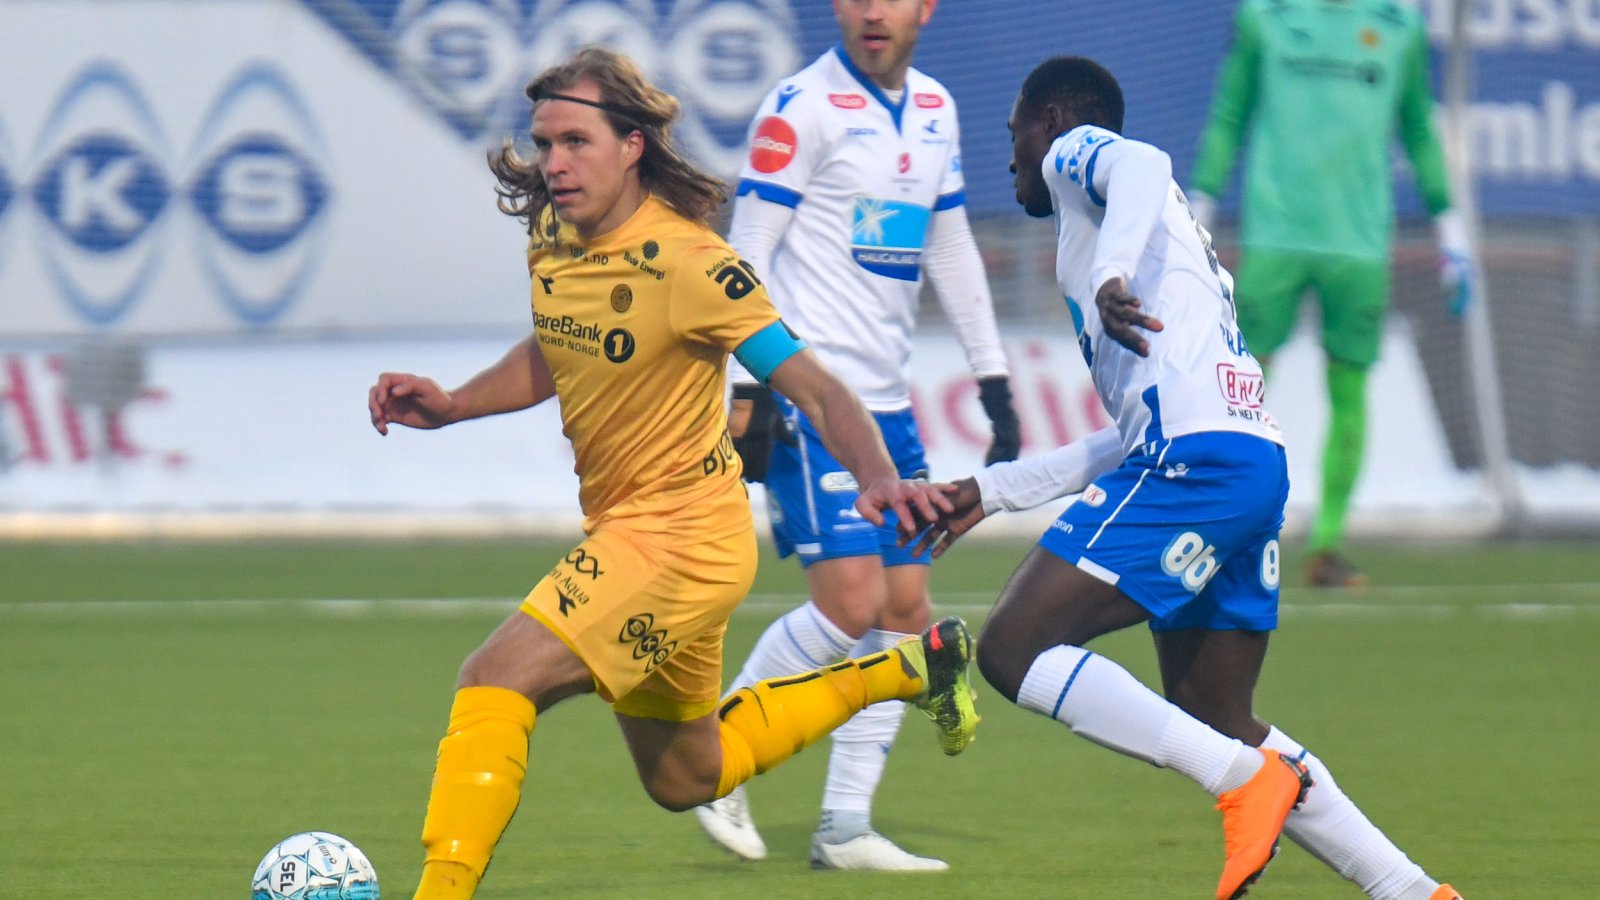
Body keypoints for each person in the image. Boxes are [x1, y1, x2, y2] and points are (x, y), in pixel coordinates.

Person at [366, 47, 979, 900]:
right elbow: (557, 346)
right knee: (688, 778)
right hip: (642, 537)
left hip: (681, 540)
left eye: (577, 142)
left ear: (632, 147)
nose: (555, 165)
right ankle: (903, 669)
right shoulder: (553, 232)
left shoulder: (692, 266)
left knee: (493, 677)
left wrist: (875, 476)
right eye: (546, 144)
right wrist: (458, 402)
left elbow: (814, 385)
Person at [908, 55, 1463, 900]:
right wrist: (994, 491)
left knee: (1017, 650)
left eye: (1013, 132)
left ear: (1049, 120)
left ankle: (1243, 784)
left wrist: (1106, 276)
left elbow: (1143, 159)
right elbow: (1133, 433)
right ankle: (1412, 890)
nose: (1010, 156)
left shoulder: (1084, 164)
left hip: (1199, 467)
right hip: (1246, 466)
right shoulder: (1149, 242)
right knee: (1217, 717)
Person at [694, 0, 1020, 871]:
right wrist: (747, 389)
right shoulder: (800, 107)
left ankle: (843, 826)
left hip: (890, 409)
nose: (874, 10)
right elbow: (747, 249)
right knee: (851, 604)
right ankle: (718, 761)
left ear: (926, 9)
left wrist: (993, 381)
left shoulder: (939, 110)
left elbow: (948, 245)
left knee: (906, 614)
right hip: (810, 397)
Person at [1187, 0, 1477, 587]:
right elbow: (1229, 115)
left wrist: (1450, 224)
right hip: (1275, 236)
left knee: (1349, 389)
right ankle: (1221, 534)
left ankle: (1327, 543)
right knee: (1239, 391)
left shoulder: (1399, 27)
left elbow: (1419, 128)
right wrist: (1199, 209)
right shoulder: (1264, 17)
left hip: (1359, 245)